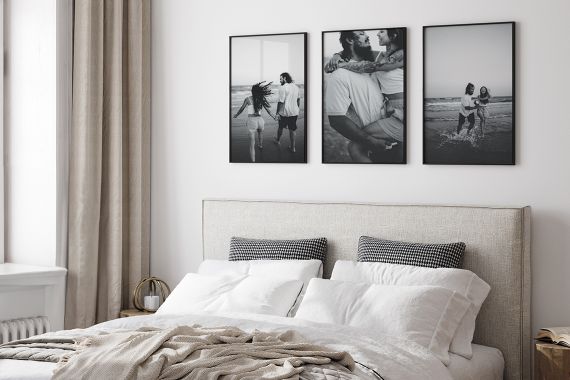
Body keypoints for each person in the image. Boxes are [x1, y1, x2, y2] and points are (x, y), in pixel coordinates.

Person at [324, 29, 405, 162]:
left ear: (394, 36)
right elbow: (336, 120)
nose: (370, 35)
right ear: (350, 40)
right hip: (381, 137)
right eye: (362, 34)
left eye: (382, 32)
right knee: (355, 149)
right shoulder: (340, 75)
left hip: (396, 123)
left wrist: (341, 62)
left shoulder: (391, 58)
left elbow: (370, 66)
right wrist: (337, 55)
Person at [233, 81, 277, 162]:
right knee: (260, 133)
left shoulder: (248, 99)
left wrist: (236, 115)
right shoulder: (261, 99)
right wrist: (274, 117)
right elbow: (268, 111)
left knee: (252, 145)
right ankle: (260, 145)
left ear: (252, 91)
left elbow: (241, 109)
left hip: (252, 121)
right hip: (260, 121)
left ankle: (253, 161)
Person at [274, 72, 300, 153]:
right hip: (294, 112)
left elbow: (281, 102)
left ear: (285, 78)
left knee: (280, 127)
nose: (280, 80)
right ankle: (293, 148)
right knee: (292, 129)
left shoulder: (283, 87)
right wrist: (296, 108)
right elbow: (298, 100)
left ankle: (278, 140)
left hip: (284, 113)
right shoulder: (296, 87)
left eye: (281, 79)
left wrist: (277, 113)